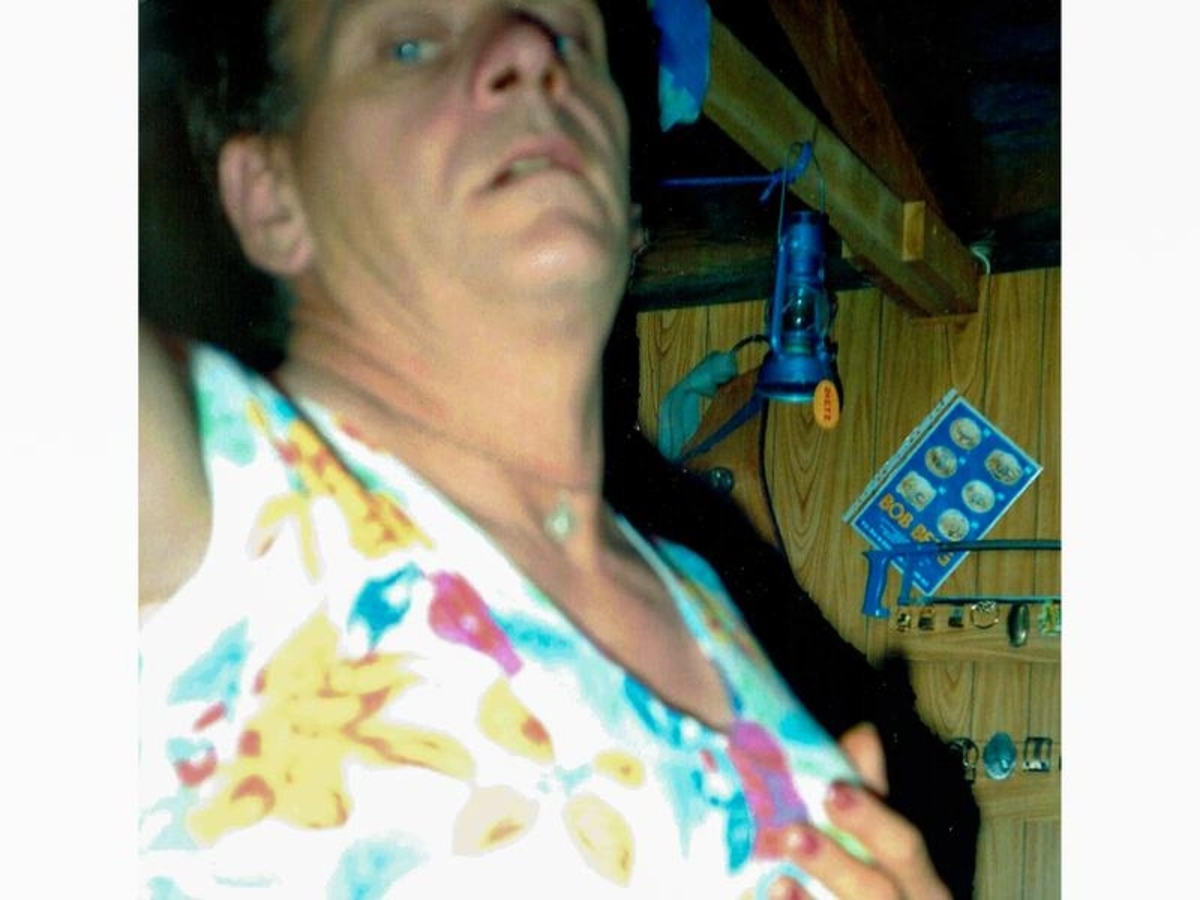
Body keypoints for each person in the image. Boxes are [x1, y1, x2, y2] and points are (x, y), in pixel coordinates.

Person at [139, 0, 977, 896]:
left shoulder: (696, 590)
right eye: (409, 44)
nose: (529, 49)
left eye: (569, 33)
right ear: (269, 195)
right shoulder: (197, 504)